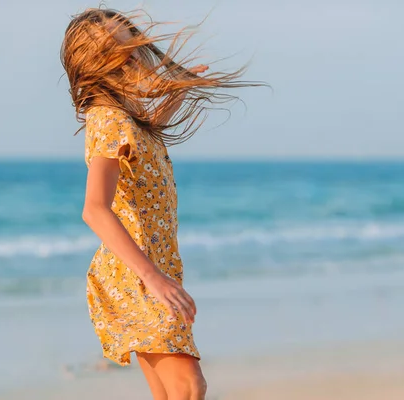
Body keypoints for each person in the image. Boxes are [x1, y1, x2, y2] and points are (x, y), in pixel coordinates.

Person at [60, 7, 261, 400]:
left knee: (171, 394)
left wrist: (180, 91)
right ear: (98, 61)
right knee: (188, 388)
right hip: (136, 275)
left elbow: (145, 136)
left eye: (132, 43)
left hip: (148, 270)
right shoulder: (107, 120)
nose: (135, 54)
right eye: (122, 48)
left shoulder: (124, 118)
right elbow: (94, 208)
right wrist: (152, 277)